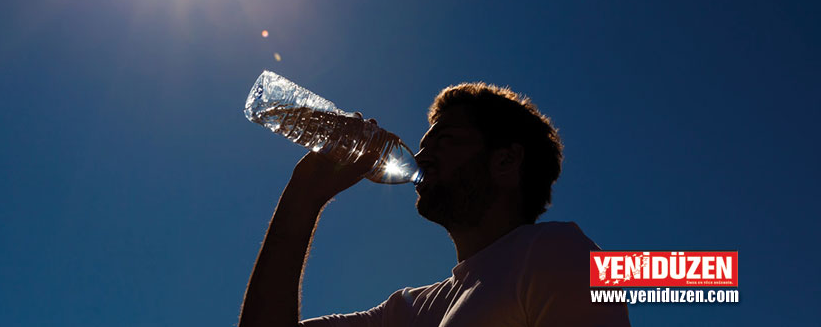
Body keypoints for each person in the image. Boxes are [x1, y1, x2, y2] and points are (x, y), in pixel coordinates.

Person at [238, 82, 630, 327]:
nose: (421, 157)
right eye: (422, 146)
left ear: (506, 161)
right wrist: (304, 196)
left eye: (444, 141)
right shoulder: (408, 311)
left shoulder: (558, 252)